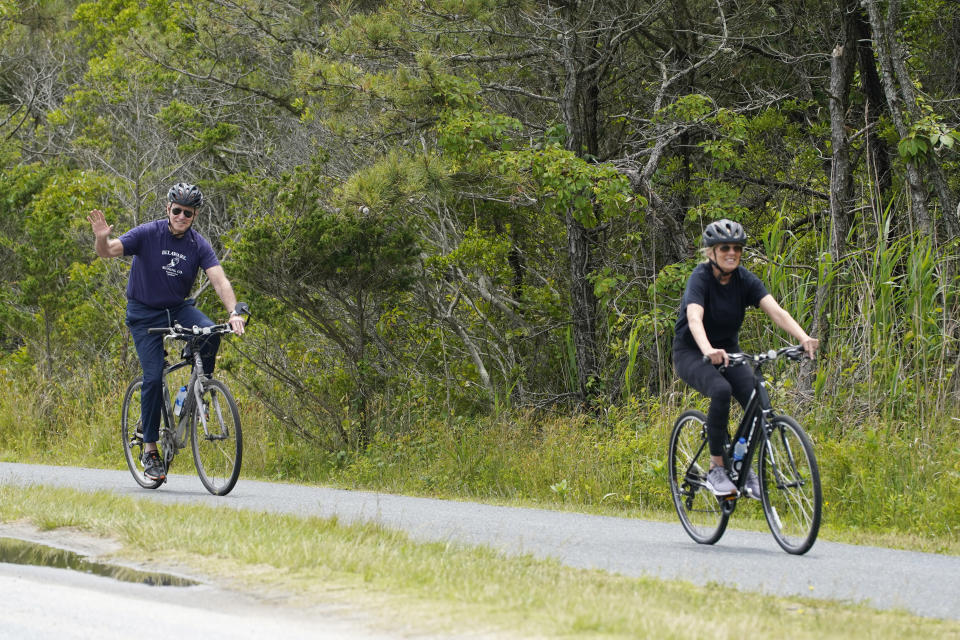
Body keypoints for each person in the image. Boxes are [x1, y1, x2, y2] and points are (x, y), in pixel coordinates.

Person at [87, 183, 246, 482]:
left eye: (188, 212)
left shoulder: (198, 245)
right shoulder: (147, 233)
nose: (182, 216)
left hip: (177, 308)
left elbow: (220, 281)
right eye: (177, 210)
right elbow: (108, 252)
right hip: (144, 313)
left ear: (195, 215)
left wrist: (233, 312)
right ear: (168, 209)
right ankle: (150, 449)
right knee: (153, 376)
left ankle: (199, 386)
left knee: (212, 331)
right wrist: (100, 238)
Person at [673, 219, 818, 497]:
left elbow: (777, 312)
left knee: (755, 398)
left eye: (737, 248)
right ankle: (716, 468)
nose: (732, 253)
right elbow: (694, 317)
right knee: (720, 390)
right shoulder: (700, 278)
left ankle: (740, 464)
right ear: (711, 253)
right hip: (692, 351)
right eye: (725, 247)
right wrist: (706, 349)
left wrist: (803, 338)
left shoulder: (745, 280)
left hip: (729, 351)